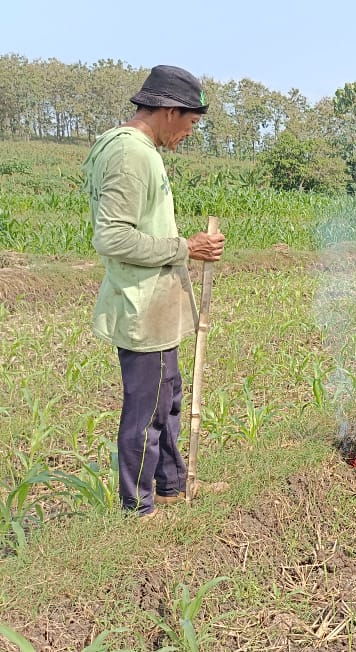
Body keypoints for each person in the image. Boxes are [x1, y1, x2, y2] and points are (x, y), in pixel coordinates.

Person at [83, 65, 227, 520]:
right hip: (141, 305)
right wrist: (186, 247)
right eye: (191, 122)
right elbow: (113, 237)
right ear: (169, 111)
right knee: (146, 411)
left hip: (155, 305)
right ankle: (138, 508)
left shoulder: (138, 151)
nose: (190, 132)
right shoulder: (131, 154)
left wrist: (185, 250)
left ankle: (171, 486)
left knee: (166, 401)